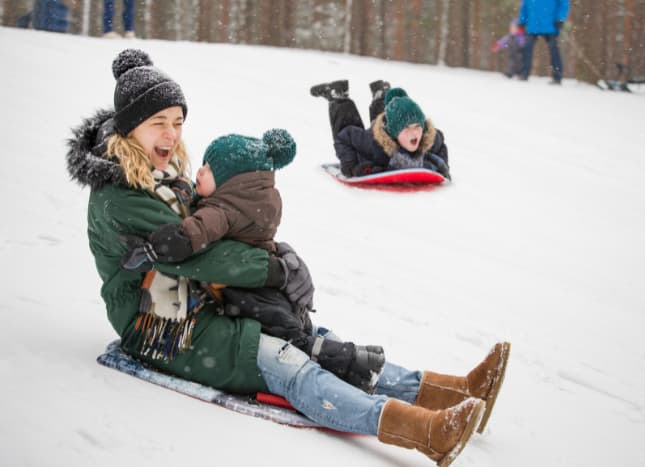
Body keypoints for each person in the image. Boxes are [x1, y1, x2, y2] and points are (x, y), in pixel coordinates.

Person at [66, 48, 510, 466]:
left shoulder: (166, 173)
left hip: (215, 300)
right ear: (129, 129)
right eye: (157, 122)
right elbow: (195, 258)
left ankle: (454, 391)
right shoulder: (118, 199)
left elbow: (218, 228)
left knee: (321, 343)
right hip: (161, 328)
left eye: (178, 121)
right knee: (288, 361)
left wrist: (279, 256)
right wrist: (273, 268)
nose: (171, 134)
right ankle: (425, 431)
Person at [120, 129, 387, 393]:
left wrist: (155, 248)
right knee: (299, 333)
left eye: (209, 169)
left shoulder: (221, 211)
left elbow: (193, 233)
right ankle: (358, 359)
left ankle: (356, 366)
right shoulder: (256, 198)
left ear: (229, 182)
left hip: (247, 291)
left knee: (294, 343)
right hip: (267, 287)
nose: (199, 172)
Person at [310, 80, 450, 179]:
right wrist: (350, 166)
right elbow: (344, 137)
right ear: (394, 133)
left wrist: (443, 166)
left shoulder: (427, 140)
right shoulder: (372, 144)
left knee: (393, 114)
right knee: (346, 125)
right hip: (377, 141)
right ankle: (338, 96)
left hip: (389, 128)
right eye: (407, 129)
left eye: (418, 127)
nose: (414, 133)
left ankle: (381, 94)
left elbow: (440, 143)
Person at [518, 0, 570, 84]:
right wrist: (521, 20)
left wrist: (560, 18)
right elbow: (524, 6)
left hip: (550, 25)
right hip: (533, 24)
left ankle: (557, 77)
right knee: (526, 48)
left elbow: (563, 4)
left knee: (554, 51)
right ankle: (524, 73)